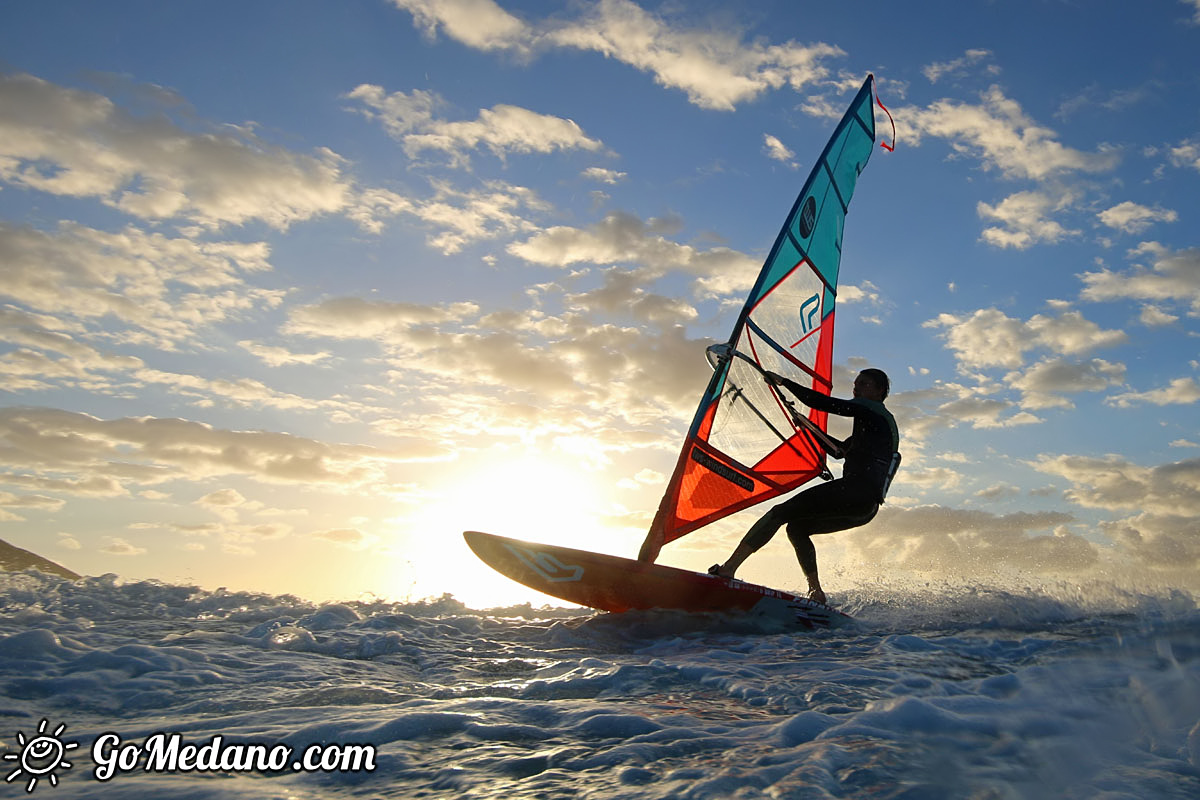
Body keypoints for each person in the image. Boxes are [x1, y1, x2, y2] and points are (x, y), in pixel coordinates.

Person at [708, 368, 899, 605]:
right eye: (855, 383)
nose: (856, 388)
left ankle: (728, 569)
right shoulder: (874, 427)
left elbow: (822, 403)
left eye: (864, 384)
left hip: (855, 492)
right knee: (797, 529)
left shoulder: (873, 412)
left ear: (880, 391)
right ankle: (816, 592)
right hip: (865, 509)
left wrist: (784, 381)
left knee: (779, 513)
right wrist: (808, 426)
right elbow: (838, 451)